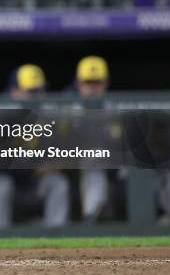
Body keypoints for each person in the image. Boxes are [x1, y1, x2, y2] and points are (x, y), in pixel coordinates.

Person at [0, 64, 69, 228]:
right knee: (2, 183)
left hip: (21, 183)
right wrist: (33, 166)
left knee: (57, 183)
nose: (38, 97)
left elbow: (56, 161)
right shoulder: (0, 115)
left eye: (41, 91)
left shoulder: (44, 119)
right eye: (31, 92)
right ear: (15, 92)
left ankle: (56, 238)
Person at [75, 56, 112, 221]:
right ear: (78, 84)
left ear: (106, 83)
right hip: (80, 163)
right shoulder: (69, 109)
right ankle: (92, 216)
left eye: (97, 83)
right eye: (88, 83)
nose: (93, 88)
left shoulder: (116, 107)